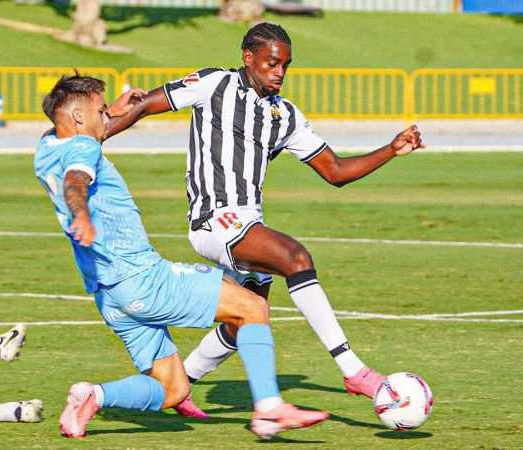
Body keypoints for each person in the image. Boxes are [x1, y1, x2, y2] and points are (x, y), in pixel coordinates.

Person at [104, 22, 426, 418]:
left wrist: (391, 150)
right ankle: (354, 370)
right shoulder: (213, 84)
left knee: (247, 317)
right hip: (213, 220)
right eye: (272, 63)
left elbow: (336, 171)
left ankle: (181, 385)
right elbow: (143, 105)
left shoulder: (285, 115)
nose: (279, 72)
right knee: (296, 258)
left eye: (286, 66)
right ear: (248, 58)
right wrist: (95, 138)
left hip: (247, 223)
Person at [34, 71, 329, 440]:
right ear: (78, 117)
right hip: (142, 279)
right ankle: (269, 409)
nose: (104, 115)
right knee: (252, 306)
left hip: (109, 295)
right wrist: (81, 214)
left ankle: (93, 395)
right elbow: (76, 180)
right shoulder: (83, 151)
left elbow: (75, 150)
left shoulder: (46, 148)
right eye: (98, 109)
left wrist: (112, 113)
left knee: (173, 389)